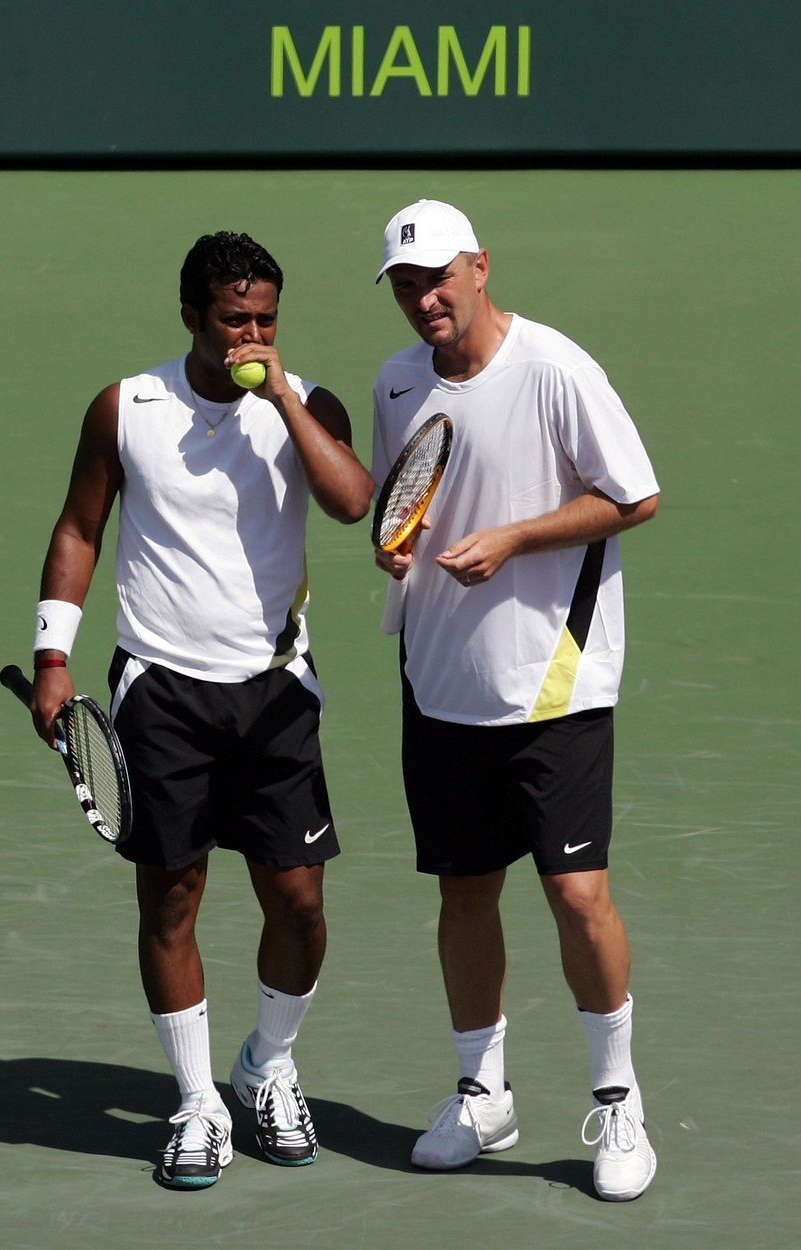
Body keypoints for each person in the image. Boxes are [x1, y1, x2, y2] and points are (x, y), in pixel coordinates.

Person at [29, 231, 374, 1189]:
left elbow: (352, 502)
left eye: (264, 317)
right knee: (172, 896)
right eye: (232, 319)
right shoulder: (127, 408)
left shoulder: (307, 401)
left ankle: (267, 1065)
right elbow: (79, 527)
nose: (250, 334)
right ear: (191, 316)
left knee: (299, 902)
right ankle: (194, 1104)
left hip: (274, 692)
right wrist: (52, 655)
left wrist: (282, 399)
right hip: (162, 690)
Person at [371, 199, 660, 1201]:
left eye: (440, 275)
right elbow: (403, 503)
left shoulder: (555, 368)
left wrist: (511, 538)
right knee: (463, 892)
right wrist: (398, 545)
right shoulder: (397, 382)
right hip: (437, 680)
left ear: (481, 267)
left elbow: (632, 495)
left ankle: (617, 1101)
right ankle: (479, 1089)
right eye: (406, 284)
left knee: (578, 898)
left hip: (555, 681)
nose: (425, 297)